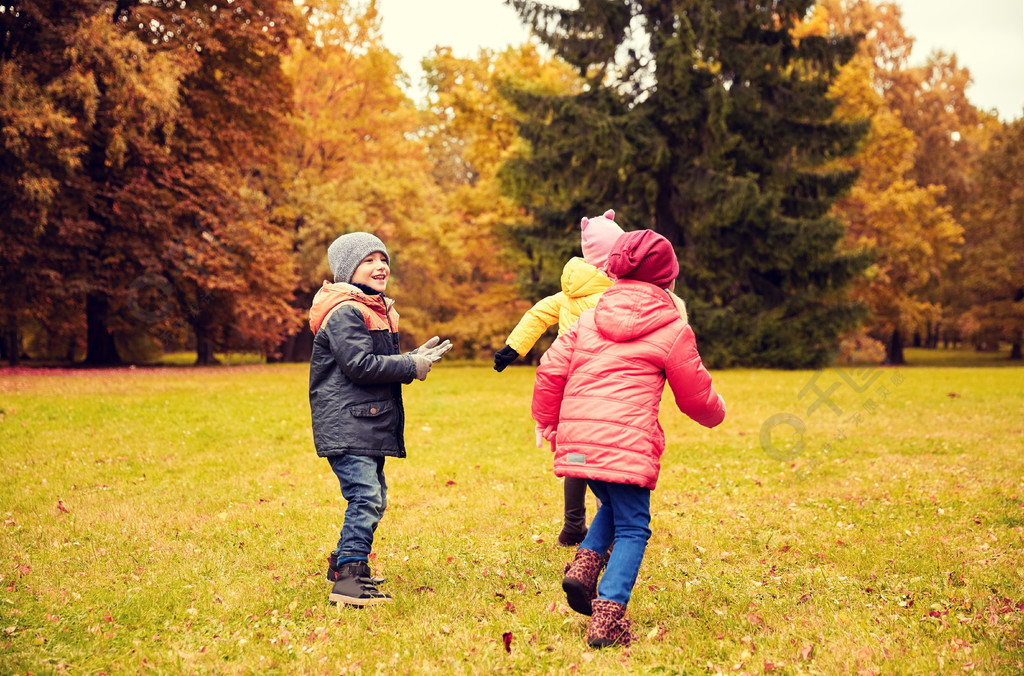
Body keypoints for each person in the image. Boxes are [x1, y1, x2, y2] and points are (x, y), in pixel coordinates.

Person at [531, 229, 726, 647]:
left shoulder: (587, 319)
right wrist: (717, 410)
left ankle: (583, 569)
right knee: (635, 526)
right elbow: (696, 397)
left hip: (582, 442)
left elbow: (549, 370)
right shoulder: (672, 327)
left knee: (613, 506)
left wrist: (547, 420)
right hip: (624, 446)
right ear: (670, 280)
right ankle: (609, 617)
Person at [308, 231, 452, 607]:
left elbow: (376, 361)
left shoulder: (371, 309)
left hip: (365, 420)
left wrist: (415, 355)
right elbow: (359, 366)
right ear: (347, 270)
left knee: (375, 498)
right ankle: (350, 581)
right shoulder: (344, 311)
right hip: (348, 422)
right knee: (366, 497)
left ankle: (344, 563)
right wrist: (410, 364)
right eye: (369, 260)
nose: (380, 266)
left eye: (383, 259)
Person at [493, 209, 624, 546]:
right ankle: (604, 531)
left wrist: (512, 347)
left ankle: (572, 526)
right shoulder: (615, 292)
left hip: (569, 387)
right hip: (604, 384)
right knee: (604, 452)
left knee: (577, 454)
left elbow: (538, 313)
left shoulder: (570, 292)